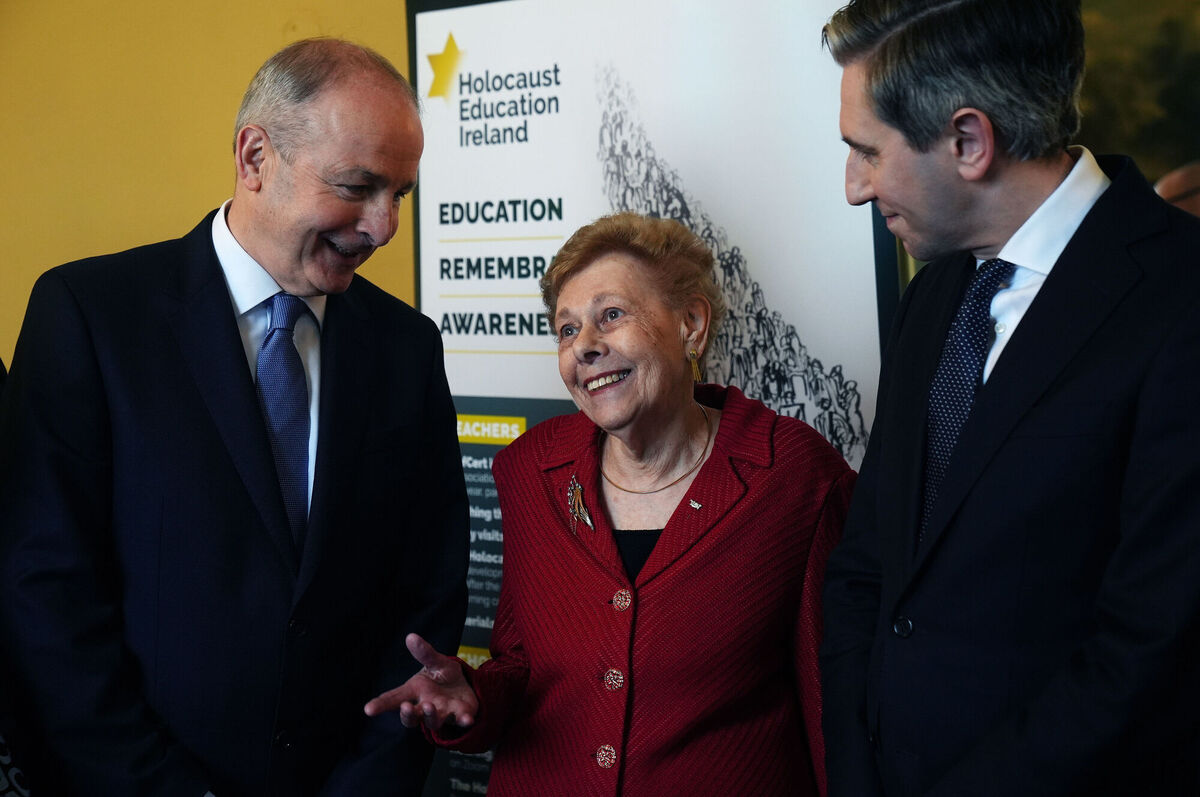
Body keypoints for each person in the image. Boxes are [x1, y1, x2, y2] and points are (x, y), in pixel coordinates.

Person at [0, 38, 469, 797]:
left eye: (401, 195)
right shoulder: (91, 316)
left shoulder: (406, 348)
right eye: (358, 186)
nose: (383, 227)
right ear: (255, 158)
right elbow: (45, 595)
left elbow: (428, 594)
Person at [818, 1, 1200, 795]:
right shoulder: (936, 290)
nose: (854, 188)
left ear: (968, 141)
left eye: (868, 152)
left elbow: (1150, 652)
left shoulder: (1180, 299)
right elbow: (869, 569)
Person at [364, 212, 856, 795]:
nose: (585, 348)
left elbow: (836, 706)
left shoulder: (797, 475)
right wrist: (470, 696)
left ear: (691, 324)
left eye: (611, 316)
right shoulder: (529, 471)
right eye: (567, 330)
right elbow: (521, 666)